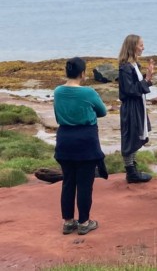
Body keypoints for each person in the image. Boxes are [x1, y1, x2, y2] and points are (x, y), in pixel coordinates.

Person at [54, 57, 107, 236]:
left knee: (68, 182)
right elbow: (103, 111)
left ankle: (68, 222)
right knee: (85, 184)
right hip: (85, 140)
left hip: (64, 140)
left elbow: (57, 115)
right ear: (83, 73)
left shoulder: (58, 91)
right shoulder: (88, 92)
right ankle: (84, 222)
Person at [118, 34, 154, 183]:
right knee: (130, 137)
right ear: (133, 47)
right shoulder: (126, 67)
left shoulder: (134, 66)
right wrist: (146, 80)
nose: (143, 47)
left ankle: (132, 168)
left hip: (138, 105)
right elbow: (130, 90)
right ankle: (131, 172)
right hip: (131, 107)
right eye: (141, 45)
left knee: (136, 135)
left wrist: (147, 78)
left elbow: (136, 86)